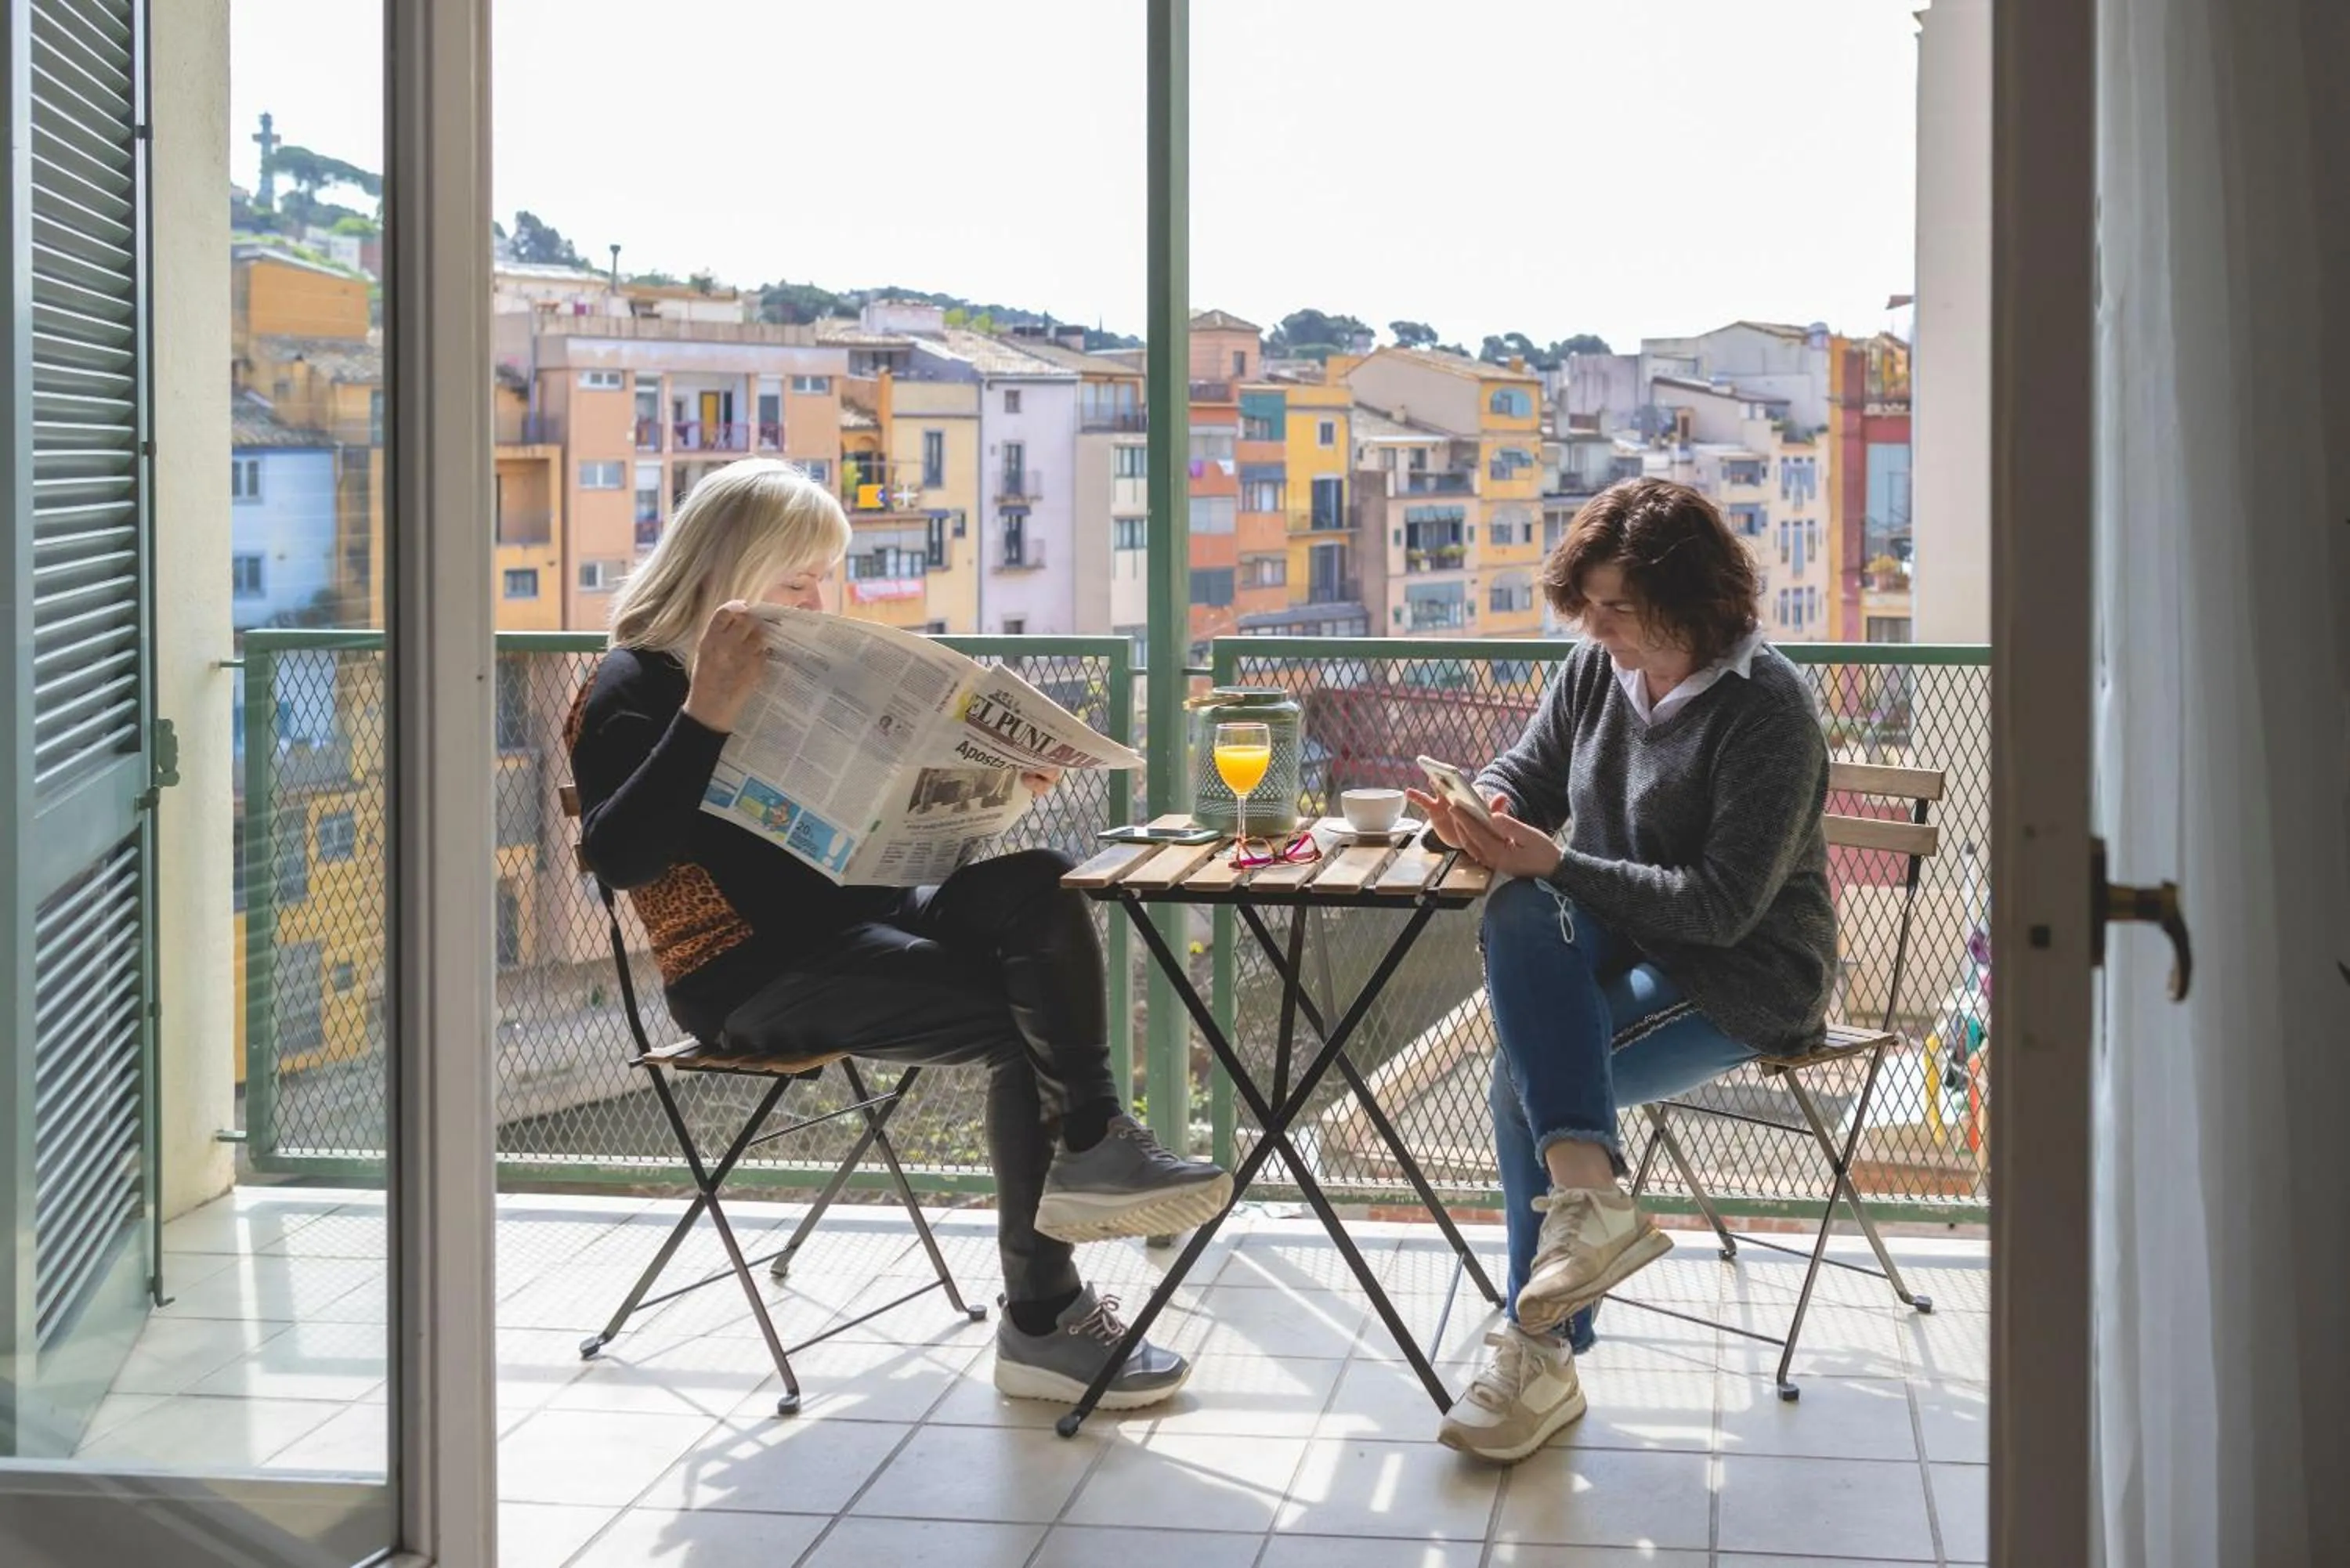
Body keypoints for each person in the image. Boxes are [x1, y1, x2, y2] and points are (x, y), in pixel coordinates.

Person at [568, 459, 1231, 1409]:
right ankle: (1044, 1314)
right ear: (730, 566)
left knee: (1041, 877)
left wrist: (992, 788)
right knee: (1021, 1024)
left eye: (822, 579)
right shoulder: (633, 682)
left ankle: (1092, 1140)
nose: (818, 599)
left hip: (865, 915)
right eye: (799, 581)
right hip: (746, 970)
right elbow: (621, 854)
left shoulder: (804, 670)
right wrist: (709, 710)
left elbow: (886, 842)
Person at [1407, 478, 1837, 1464]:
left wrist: (1556, 858)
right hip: (1620, 933)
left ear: (1693, 601)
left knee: (1523, 1083)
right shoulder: (1599, 667)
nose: (1594, 627)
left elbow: (1721, 907)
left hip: (1744, 970)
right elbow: (1537, 767)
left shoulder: (1768, 709)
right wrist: (1488, 802)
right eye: (1588, 606)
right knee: (1517, 906)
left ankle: (1539, 1352)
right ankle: (1589, 1212)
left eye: (1616, 609)